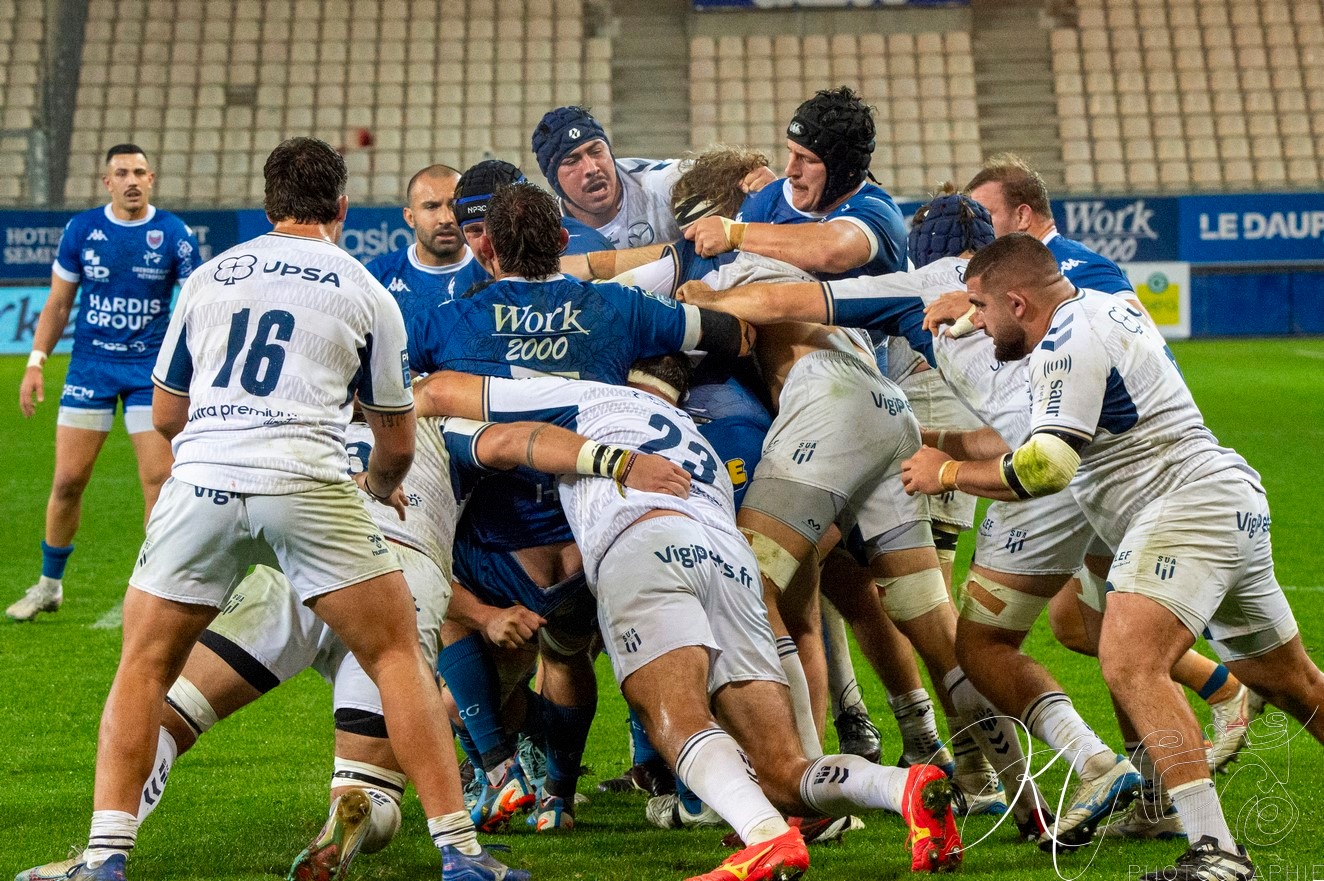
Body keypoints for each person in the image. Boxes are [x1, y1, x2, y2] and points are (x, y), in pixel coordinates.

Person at [16, 137, 525, 881]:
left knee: (144, 667)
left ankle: (103, 857)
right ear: (343, 207)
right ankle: (462, 854)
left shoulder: (209, 275)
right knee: (393, 657)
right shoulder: (366, 289)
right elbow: (395, 437)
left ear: (266, 207)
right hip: (308, 483)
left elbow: (166, 414)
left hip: (203, 481)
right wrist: (379, 483)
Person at [418, 358, 965, 878]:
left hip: (642, 541)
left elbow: (441, 392)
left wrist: (396, 406)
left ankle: (766, 837)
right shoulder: (694, 430)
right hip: (730, 558)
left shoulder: (583, 395)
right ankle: (903, 787)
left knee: (674, 718)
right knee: (781, 769)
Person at [902, 232, 1324, 881]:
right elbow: (1033, 435)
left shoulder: (1067, 340)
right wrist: (940, 434)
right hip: (1227, 501)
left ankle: (1215, 851)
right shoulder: (1093, 310)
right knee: (1293, 683)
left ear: (1018, 302)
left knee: (1128, 658)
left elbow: (1045, 466)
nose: (974, 323)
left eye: (981, 308)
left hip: (1188, 507)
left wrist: (948, 473)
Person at [126, 414, 684, 879]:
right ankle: (370, 815)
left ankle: (109, 844)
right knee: (375, 789)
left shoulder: (310, 418)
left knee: (171, 714)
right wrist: (617, 461)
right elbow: (514, 441)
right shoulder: (440, 425)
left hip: (297, 571)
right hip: (394, 585)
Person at [9, 144, 198, 623]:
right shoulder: (82, 229)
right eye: (122, 173)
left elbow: (195, 306)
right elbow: (57, 304)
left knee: (159, 482)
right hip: (90, 368)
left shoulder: (174, 234)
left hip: (148, 372)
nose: (132, 180)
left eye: (139, 172)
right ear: (106, 182)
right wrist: (35, 362)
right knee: (68, 481)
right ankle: (49, 585)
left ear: (151, 179)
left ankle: (160, 588)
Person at [532, 105, 683, 248]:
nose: (592, 169)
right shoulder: (545, 234)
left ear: (610, 153)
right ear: (554, 181)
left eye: (596, 152)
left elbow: (695, 171)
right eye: (572, 161)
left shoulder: (663, 182)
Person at [365, 164, 488, 318]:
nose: (446, 219)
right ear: (410, 217)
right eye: (432, 207)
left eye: (453, 206)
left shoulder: (493, 271)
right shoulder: (376, 276)